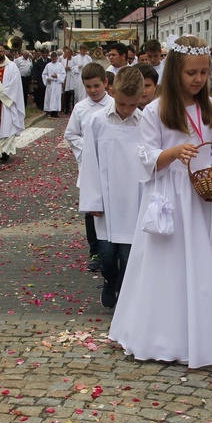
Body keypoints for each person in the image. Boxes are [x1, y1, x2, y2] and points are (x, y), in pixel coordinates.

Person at [108, 35, 212, 368]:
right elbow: (145, 157)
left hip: (206, 192)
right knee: (171, 262)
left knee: (210, 256)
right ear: (175, 71)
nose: (198, 79)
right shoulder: (157, 111)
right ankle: (166, 333)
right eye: (192, 72)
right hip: (171, 195)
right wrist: (173, 153)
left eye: (204, 73)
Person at [79, 67, 144, 308]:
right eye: (122, 104)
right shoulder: (97, 121)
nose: (127, 110)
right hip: (106, 200)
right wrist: (92, 200)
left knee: (128, 256)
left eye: (132, 105)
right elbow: (89, 161)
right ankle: (109, 279)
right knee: (106, 255)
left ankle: (123, 294)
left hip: (134, 200)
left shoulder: (144, 122)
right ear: (113, 92)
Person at [64, 63, 113, 273]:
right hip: (90, 165)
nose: (93, 90)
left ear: (106, 83)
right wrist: (89, 149)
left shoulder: (115, 105)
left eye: (96, 86)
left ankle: (112, 248)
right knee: (92, 210)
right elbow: (71, 134)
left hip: (113, 165)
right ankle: (96, 252)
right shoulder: (80, 108)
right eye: (88, 87)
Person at [0, 43, 25, 162]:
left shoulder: (12, 67)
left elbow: (15, 85)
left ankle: (4, 152)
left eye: (0, 51)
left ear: (4, 52)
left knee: (7, 126)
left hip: (6, 102)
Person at [42, 51, 66, 118]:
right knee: (49, 97)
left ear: (57, 58)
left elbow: (63, 74)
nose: (54, 59)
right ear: (51, 58)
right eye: (53, 58)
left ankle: (55, 112)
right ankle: (48, 111)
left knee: (56, 98)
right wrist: (47, 78)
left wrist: (57, 76)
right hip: (50, 83)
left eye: (55, 58)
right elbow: (44, 74)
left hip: (57, 83)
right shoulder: (48, 65)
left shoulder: (60, 65)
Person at [62, 47, 77, 115]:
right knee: (67, 94)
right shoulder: (63, 61)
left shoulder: (75, 60)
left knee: (73, 94)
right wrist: (65, 69)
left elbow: (76, 69)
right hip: (66, 80)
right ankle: (66, 108)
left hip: (73, 79)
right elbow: (61, 70)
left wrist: (70, 68)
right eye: (66, 53)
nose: (67, 54)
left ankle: (73, 108)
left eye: (68, 53)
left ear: (71, 53)